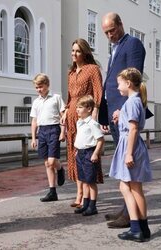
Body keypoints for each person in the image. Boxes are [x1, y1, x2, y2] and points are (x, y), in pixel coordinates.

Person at [99, 12, 149, 228]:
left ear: (121, 24)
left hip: (124, 113)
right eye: (106, 32)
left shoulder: (133, 44)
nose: (110, 35)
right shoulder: (115, 47)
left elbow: (132, 77)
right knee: (123, 169)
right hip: (114, 111)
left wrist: (121, 109)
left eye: (112, 30)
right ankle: (126, 210)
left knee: (128, 167)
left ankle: (131, 217)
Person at [109, 68, 152, 242]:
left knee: (126, 187)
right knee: (135, 188)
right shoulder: (133, 101)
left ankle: (136, 228)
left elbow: (133, 128)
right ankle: (143, 228)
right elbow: (131, 124)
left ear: (128, 83)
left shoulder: (132, 102)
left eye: (119, 83)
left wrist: (128, 154)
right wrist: (121, 115)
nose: (117, 87)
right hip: (131, 145)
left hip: (130, 146)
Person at [60, 38, 103, 208]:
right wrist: (64, 112)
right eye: (72, 51)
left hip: (86, 116)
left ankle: (88, 197)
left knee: (87, 153)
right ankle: (79, 194)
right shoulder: (70, 73)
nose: (74, 54)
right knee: (74, 155)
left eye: (77, 51)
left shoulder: (92, 69)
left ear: (85, 52)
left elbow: (98, 94)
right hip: (71, 116)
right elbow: (70, 98)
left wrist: (94, 115)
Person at [30, 73, 66, 202]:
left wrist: (63, 132)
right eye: (37, 87)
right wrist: (34, 138)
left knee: (52, 161)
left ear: (47, 85)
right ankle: (52, 191)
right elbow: (34, 121)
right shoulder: (36, 102)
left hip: (54, 129)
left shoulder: (56, 98)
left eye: (41, 86)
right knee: (47, 163)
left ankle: (61, 169)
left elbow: (63, 117)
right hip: (42, 131)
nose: (39, 89)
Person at [73, 95, 104, 216]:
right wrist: (77, 150)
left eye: (80, 107)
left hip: (89, 154)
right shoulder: (79, 122)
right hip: (80, 153)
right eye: (77, 107)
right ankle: (85, 204)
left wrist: (95, 154)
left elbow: (100, 140)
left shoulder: (92, 124)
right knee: (83, 180)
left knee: (91, 181)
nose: (77, 110)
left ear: (89, 109)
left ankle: (92, 206)